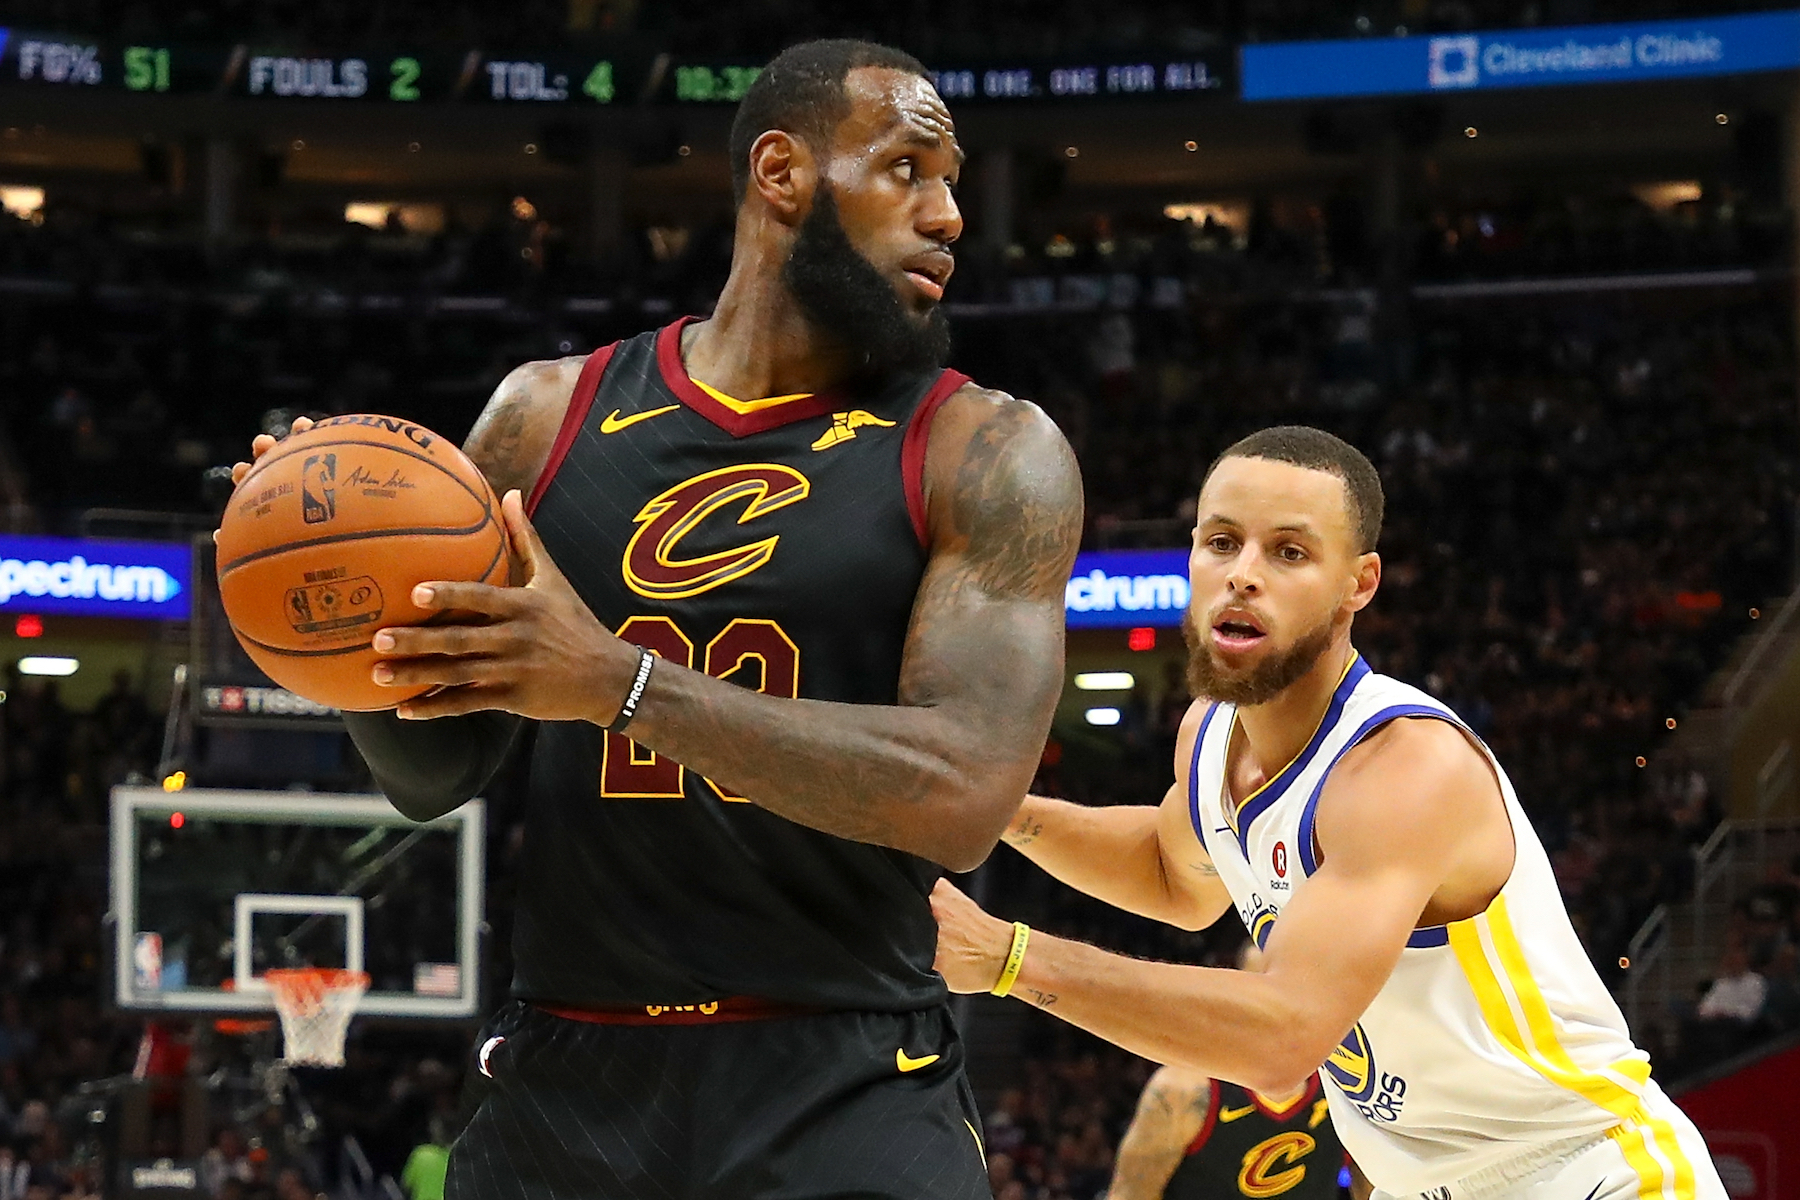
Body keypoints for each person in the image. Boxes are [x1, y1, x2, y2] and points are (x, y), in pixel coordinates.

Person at [232, 38, 1080, 1200]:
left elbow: (964, 795)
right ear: (780, 172)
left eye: (952, 182)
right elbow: (431, 772)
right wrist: (337, 610)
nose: (947, 216)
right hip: (569, 1076)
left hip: (847, 1071)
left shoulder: (987, 449)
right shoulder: (544, 417)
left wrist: (618, 686)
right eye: (907, 170)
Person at [932, 426, 1725, 1200]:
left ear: (1360, 583)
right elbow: (1174, 874)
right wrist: (997, 809)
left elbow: (1282, 1038)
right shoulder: (1209, 732)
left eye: (1289, 551)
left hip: (1583, 1166)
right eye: (1221, 542)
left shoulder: (1404, 767)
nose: (1243, 575)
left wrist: (1007, 957)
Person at [1109, 946, 1349, 1200]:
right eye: (1261, 992)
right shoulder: (1182, 1092)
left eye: (1286, 992)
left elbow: (1374, 1186)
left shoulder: (1344, 1081)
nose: (1273, 1007)